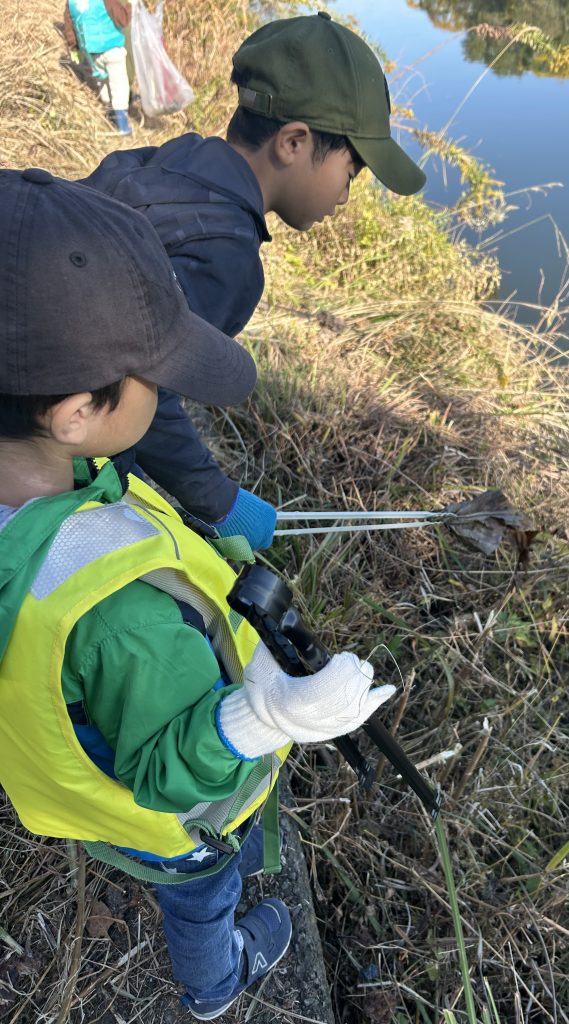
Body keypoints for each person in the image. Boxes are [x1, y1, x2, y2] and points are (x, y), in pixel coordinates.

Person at [0, 168, 395, 1020]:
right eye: (155, 375)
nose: (165, 392)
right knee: (204, 893)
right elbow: (171, 777)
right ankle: (217, 984)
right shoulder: (121, 617)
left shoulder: (46, 486)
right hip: (165, 824)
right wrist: (272, 719)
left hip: (62, 760)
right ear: (75, 411)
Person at [80, 11, 427, 556]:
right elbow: (135, 394)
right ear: (293, 142)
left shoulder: (171, 160)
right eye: (351, 172)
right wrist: (218, 502)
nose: (345, 195)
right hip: (52, 459)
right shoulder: (225, 256)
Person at [64, 0, 133, 135]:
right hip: (112, 47)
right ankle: (122, 125)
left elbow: (69, 29)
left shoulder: (71, 3)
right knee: (119, 85)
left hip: (91, 51)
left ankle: (110, 111)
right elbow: (122, 20)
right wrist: (130, 6)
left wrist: (74, 48)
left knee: (102, 80)